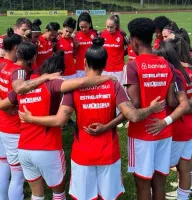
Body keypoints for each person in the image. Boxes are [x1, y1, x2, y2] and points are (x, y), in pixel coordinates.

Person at [18, 37, 166, 200]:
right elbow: (133, 115)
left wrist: (31, 119)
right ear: (105, 64)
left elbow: (60, 120)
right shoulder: (113, 85)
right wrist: (151, 108)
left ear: (84, 62)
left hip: (82, 154)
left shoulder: (74, 88)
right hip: (108, 153)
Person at [0, 50, 120, 200]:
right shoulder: (54, 84)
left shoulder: (25, 84)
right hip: (48, 147)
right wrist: (107, 78)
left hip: (24, 148)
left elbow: (0, 105)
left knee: (36, 193)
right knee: (58, 193)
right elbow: (80, 83)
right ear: (59, 72)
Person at [124, 18, 189, 200]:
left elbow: (134, 104)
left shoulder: (133, 65)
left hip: (142, 134)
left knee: (143, 186)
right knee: (159, 183)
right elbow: (171, 100)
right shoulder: (167, 64)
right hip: (164, 130)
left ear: (134, 40)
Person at [155, 41, 192, 200]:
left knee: (161, 171)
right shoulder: (188, 71)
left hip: (177, 128)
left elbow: (172, 102)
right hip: (189, 126)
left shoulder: (174, 74)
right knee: (185, 168)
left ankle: (155, 194)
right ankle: (182, 198)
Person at [0, 28, 23, 200]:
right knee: (17, 174)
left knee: (4, 166)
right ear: (16, 48)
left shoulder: (0, 65)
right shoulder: (16, 71)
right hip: (11, 127)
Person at [100, 15, 127, 85]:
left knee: (118, 92)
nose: (109, 29)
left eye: (111, 27)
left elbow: (129, 48)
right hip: (105, 69)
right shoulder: (102, 34)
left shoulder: (122, 35)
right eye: (107, 26)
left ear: (116, 26)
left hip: (119, 69)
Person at [74, 12, 98, 78]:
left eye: (85, 27)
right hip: (79, 68)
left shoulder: (95, 34)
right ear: (78, 25)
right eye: (81, 27)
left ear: (90, 24)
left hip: (93, 68)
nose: (83, 29)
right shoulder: (75, 35)